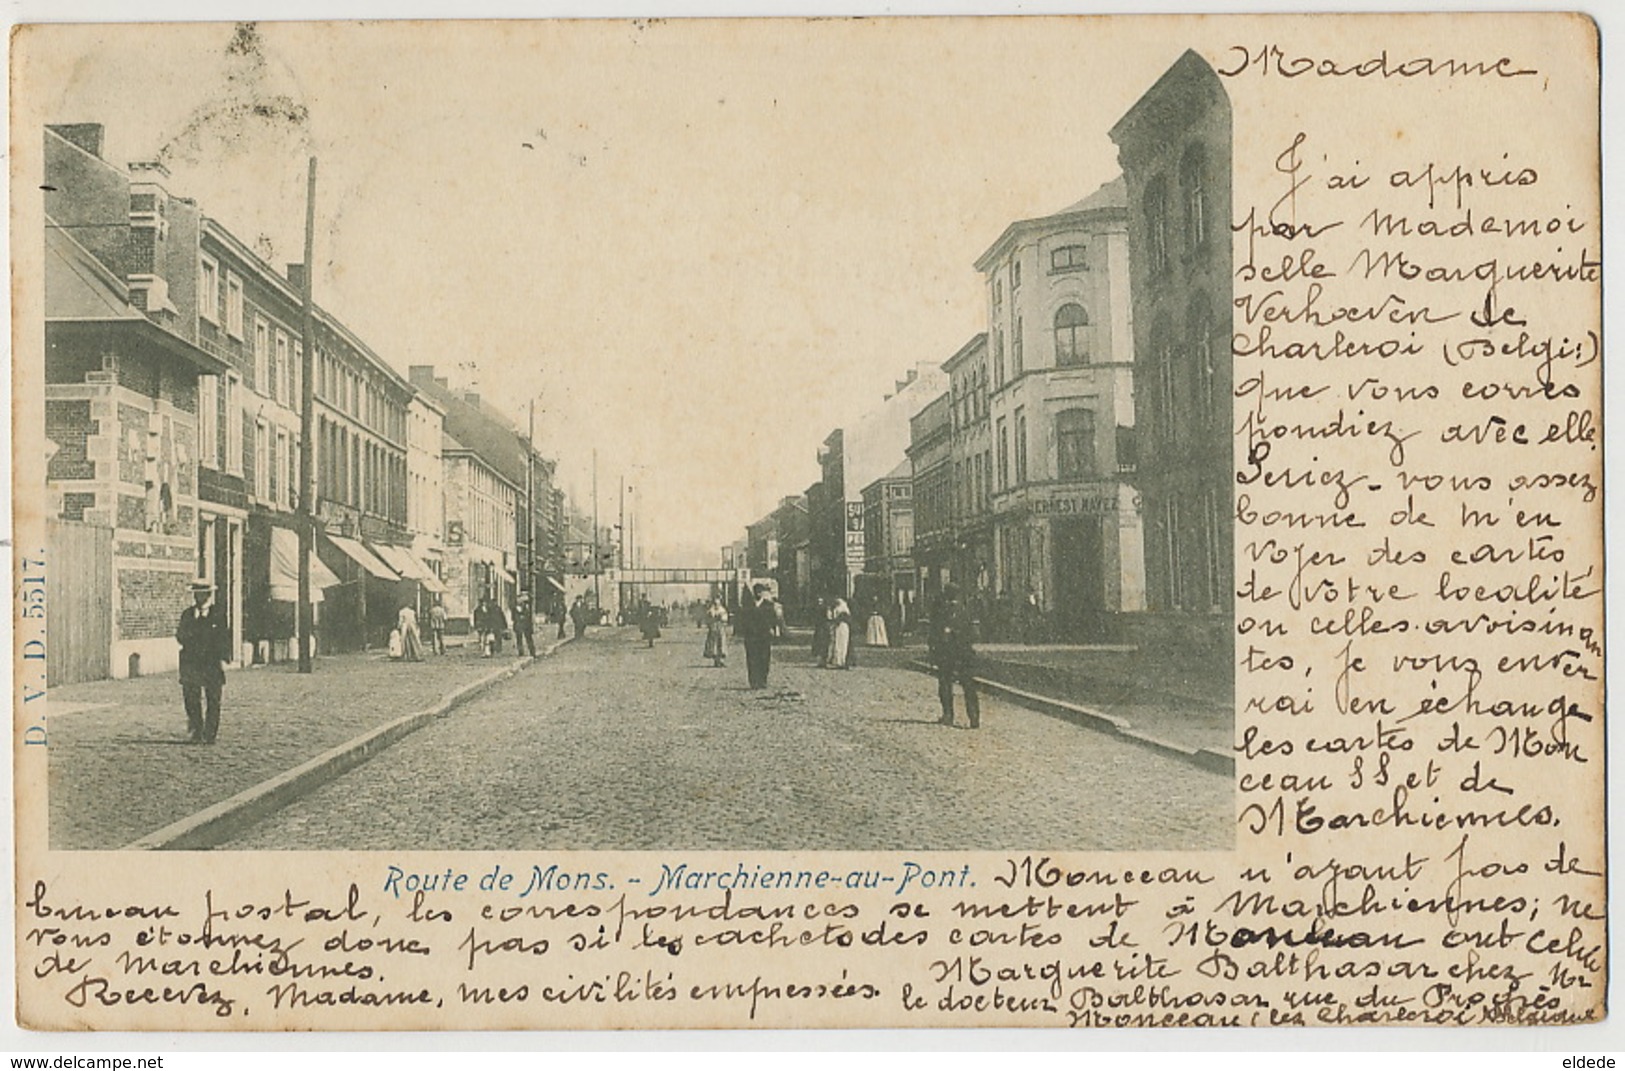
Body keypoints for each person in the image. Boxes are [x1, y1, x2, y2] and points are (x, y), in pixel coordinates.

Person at [176, 578, 229, 744]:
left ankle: (210, 734)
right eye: (197, 595)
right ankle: (196, 730)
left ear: (209, 595)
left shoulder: (218, 615)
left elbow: (223, 638)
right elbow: (180, 636)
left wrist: (222, 657)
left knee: (213, 699)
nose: (201, 598)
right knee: (191, 698)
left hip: (211, 663)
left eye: (204, 595)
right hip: (191, 663)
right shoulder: (187, 615)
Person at [930, 585, 980, 728]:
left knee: (945, 683)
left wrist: (933, 652)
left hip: (947, 653)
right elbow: (974, 634)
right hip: (964, 653)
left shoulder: (940, 611)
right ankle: (974, 717)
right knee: (968, 685)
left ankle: (948, 715)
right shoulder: (966, 610)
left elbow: (934, 634)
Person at [740, 582, 781, 689]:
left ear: (763, 593)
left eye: (760, 591)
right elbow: (743, 621)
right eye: (756, 591)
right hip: (751, 637)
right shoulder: (748, 606)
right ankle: (753, 681)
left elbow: (773, 620)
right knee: (752, 659)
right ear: (754, 593)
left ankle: (763, 680)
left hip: (764, 637)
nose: (758, 593)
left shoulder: (768, 605)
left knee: (764, 658)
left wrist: (774, 630)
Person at [826, 597, 852, 669]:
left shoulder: (843, 609)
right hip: (837, 627)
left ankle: (841, 660)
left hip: (842, 627)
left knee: (842, 643)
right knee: (837, 643)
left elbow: (844, 617)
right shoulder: (834, 608)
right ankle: (837, 660)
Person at [703, 598, 729, 667]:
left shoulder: (722, 610)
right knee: (714, 645)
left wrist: (722, 618)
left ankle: (721, 660)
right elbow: (708, 619)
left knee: (721, 644)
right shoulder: (711, 610)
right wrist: (712, 619)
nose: (716, 605)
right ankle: (716, 661)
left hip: (720, 629)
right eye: (715, 604)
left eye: (717, 604)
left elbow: (725, 619)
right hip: (713, 629)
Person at [810, 598, 830, 665]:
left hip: (822, 627)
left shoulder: (822, 609)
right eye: (818, 602)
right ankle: (821, 660)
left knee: (822, 644)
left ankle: (822, 660)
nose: (819, 603)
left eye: (820, 602)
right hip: (821, 627)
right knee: (820, 644)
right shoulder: (823, 608)